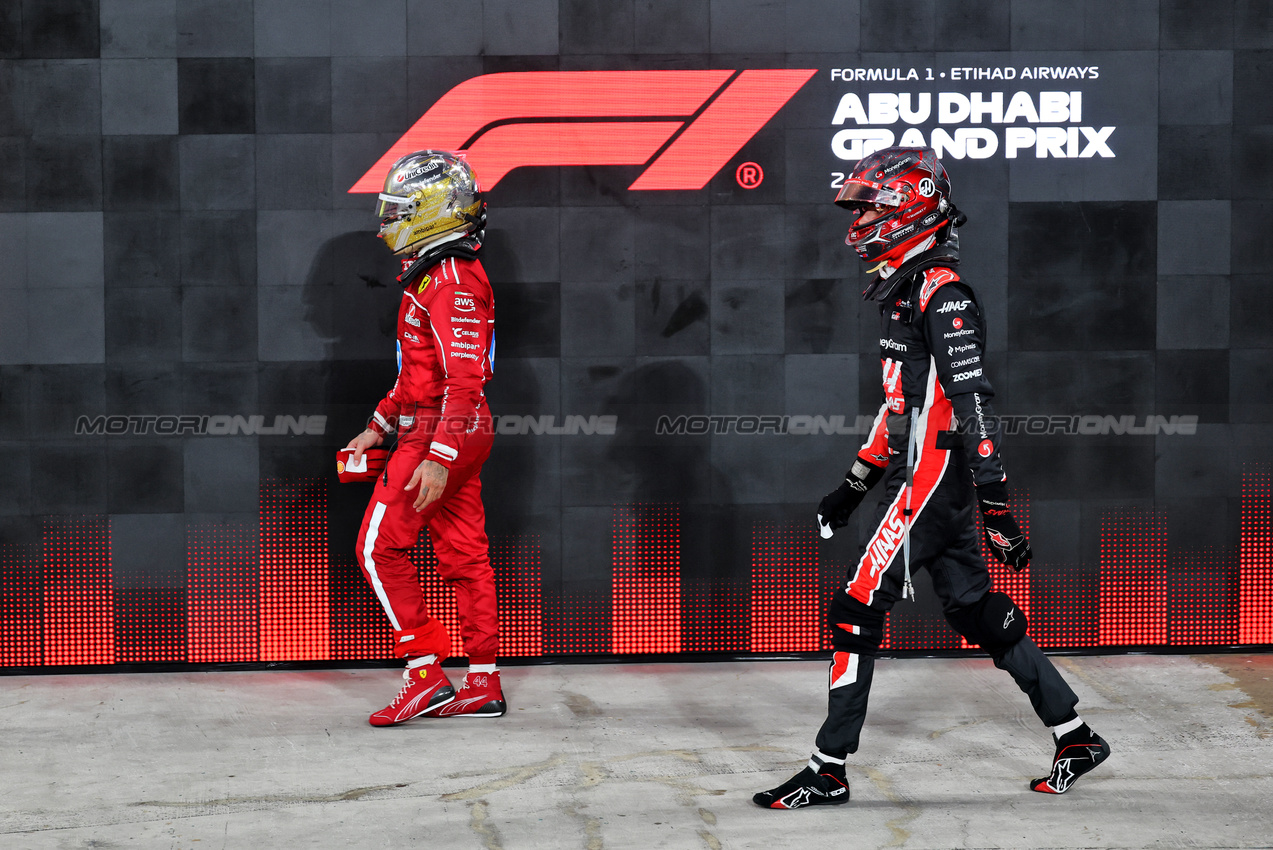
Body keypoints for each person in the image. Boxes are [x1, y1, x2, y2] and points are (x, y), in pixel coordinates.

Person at [754, 146, 1109, 808]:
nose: (856, 219)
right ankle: (1074, 735)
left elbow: (969, 408)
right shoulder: (902, 290)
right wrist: (852, 487)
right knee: (974, 608)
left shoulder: (942, 295)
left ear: (907, 209)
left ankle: (828, 769)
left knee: (856, 607)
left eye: (867, 206)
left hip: (931, 484)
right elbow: (900, 409)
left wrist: (998, 510)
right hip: (922, 484)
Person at [344, 150, 505, 725]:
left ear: (435, 210)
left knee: (376, 547)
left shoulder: (452, 278)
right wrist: (378, 425)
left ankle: (424, 672)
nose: (388, 221)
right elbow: (420, 371)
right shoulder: (443, 272)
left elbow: (463, 378)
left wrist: (437, 455)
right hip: (448, 427)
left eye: (398, 210)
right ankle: (482, 681)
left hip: (444, 430)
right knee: (465, 556)